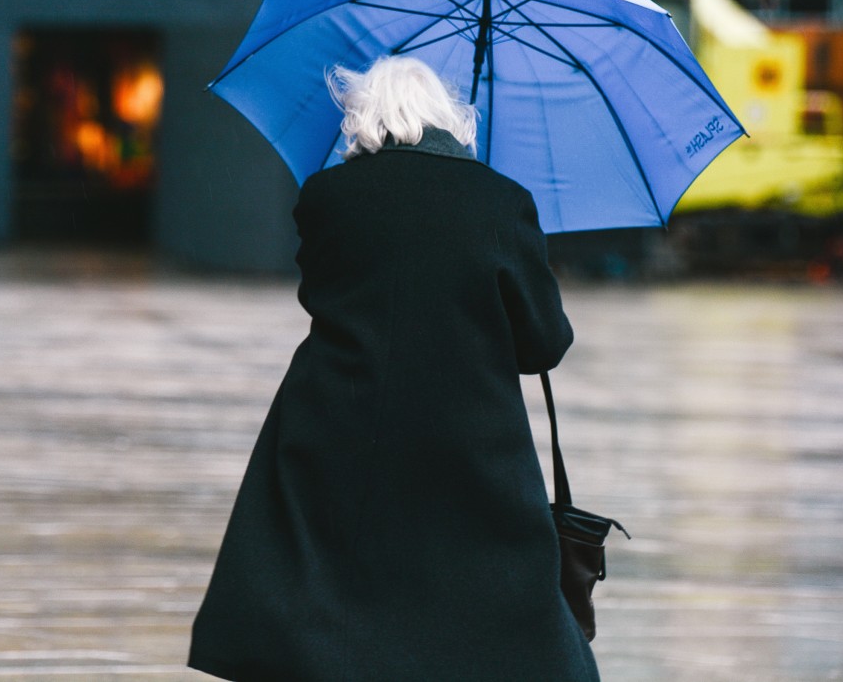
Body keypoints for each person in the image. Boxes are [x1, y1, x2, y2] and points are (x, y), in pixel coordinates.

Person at [188, 56, 599, 682]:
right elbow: (544, 344)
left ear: (361, 116)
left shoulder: (327, 197)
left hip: (335, 427)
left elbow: (321, 293)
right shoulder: (501, 200)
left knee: (337, 593)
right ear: (448, 117)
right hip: (467, 443)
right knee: (483, 606)